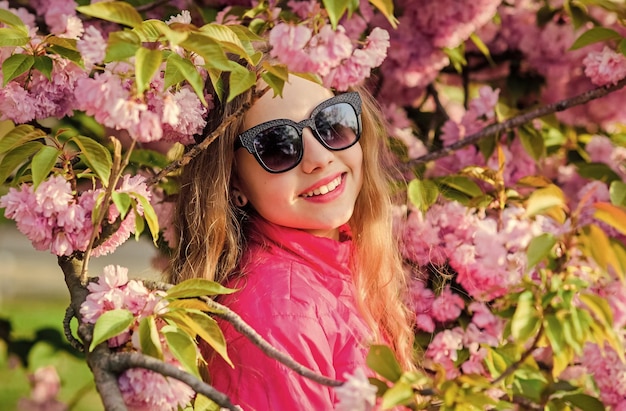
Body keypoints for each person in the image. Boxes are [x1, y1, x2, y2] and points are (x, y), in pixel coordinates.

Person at [168, 71, 415, 410]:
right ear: (233, 183)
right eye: (276, 146)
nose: (319, 158)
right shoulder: (284, 315)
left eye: (331, 122)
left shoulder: (340, 264)